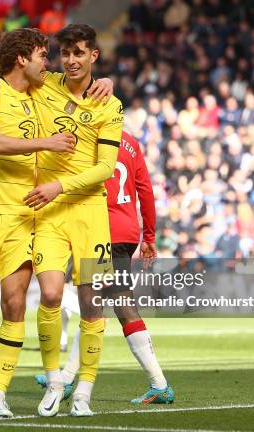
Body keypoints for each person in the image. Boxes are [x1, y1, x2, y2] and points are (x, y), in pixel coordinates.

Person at [0, 24, 119, 417]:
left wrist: (60, 185)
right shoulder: (46, 84)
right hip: (48, 212)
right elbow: (11, 74)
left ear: (94, 56)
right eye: (65, 53)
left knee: (92, 304)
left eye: (79, 54)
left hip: (88, 210)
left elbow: (105, 168)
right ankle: (55, 380)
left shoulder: (110, 104)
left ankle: (84, 389)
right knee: (51, 294)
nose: (70, 61)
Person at [0, 28, 78, 419]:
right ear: (22, 58)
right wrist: (48, 143)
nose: (51, 62)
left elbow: (82, 79)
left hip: (24, 215)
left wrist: (105, 78)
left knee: (14, 304)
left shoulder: (40, 93)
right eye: (44, 55)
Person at [34, 130, 175, 405]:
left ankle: (159, 383)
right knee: (95, 306)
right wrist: (148, 236)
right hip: (125, 230)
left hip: (100, 231)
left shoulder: (86, 138)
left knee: (117, 306)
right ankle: (67, 376)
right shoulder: (131, 142)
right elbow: (145, 189)